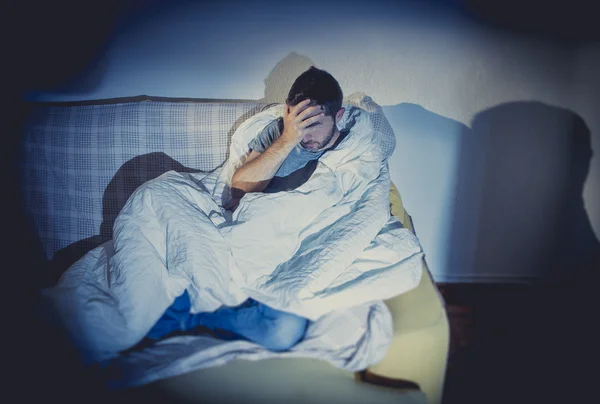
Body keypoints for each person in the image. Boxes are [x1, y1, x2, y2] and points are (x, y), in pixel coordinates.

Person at [144, 66, 347, 352]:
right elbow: (240, 188)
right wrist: (287, 139)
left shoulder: (353, 150)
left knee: (282, 330)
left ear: (338, 116)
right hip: (248, 245)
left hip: (294, 252)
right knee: (157, 301)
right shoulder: (278, 134)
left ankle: (198, 319)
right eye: (299, 124)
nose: (306, 135)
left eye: (315, 124)